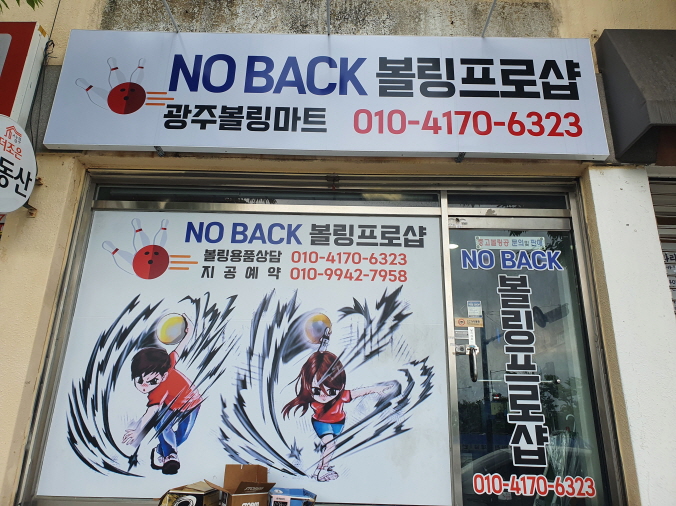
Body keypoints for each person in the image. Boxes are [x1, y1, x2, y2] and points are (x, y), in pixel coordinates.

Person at [282, 351, 395, 482]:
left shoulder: (342, 396)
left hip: (339, 423)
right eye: (317, 390)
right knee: (330, 446)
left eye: (331, 391)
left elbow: (359, 392)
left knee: (329, 447)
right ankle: (322, 471)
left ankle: (320, 468)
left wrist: (376, 389)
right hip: (321, 423)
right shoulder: (312, 398)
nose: (324, 395)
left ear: (340, 386)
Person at [122, 319, 201, 475]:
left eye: (152, 381)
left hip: (192, 404)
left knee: (182, 436)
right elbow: (151, 413)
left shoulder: (168, 365)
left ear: (163, 375)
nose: (144, 386)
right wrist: (138, 431)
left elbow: (180, 347)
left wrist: (189, 332)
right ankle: (170, 456)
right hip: (169, 406)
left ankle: (160, 450)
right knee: (162, 425)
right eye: (139, 381)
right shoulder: (155, 393)